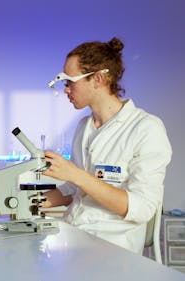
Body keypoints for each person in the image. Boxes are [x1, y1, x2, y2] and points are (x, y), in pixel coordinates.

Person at [42, 37, 172, 254]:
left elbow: (141, 209)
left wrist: (76, 175)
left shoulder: (146, 128)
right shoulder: (84, 126)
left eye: (69, 82)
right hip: (74, 236)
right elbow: (76, 188)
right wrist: (31, 202)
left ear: (98, 79)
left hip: (113, 249)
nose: (66, 90)